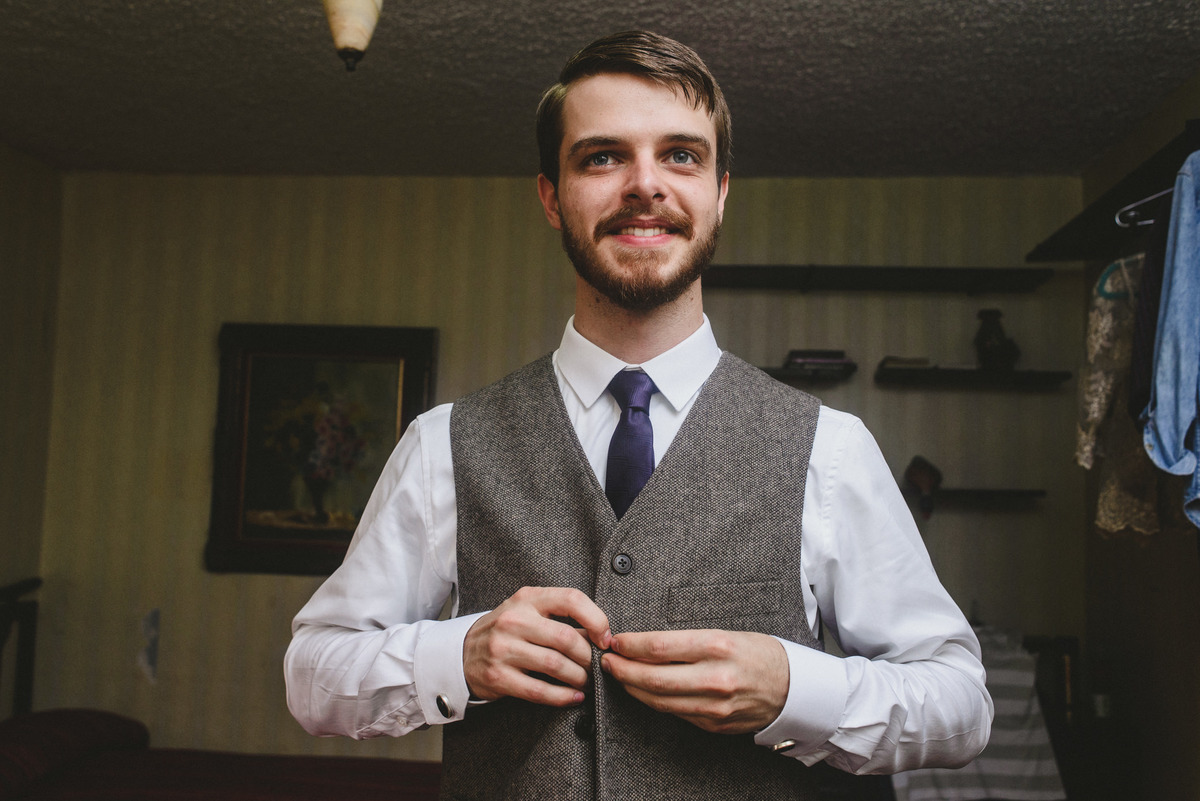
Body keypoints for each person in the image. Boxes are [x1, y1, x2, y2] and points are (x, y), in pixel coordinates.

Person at [285, 29, 992, 799]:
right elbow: (312, 677)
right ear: (552, 196)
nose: (644, 184)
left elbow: (960, 704)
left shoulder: (831, 448)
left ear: (720, 192)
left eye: (681, 155)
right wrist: (458, 653)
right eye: (602, 156)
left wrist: (795, 687)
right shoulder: (441, 446)